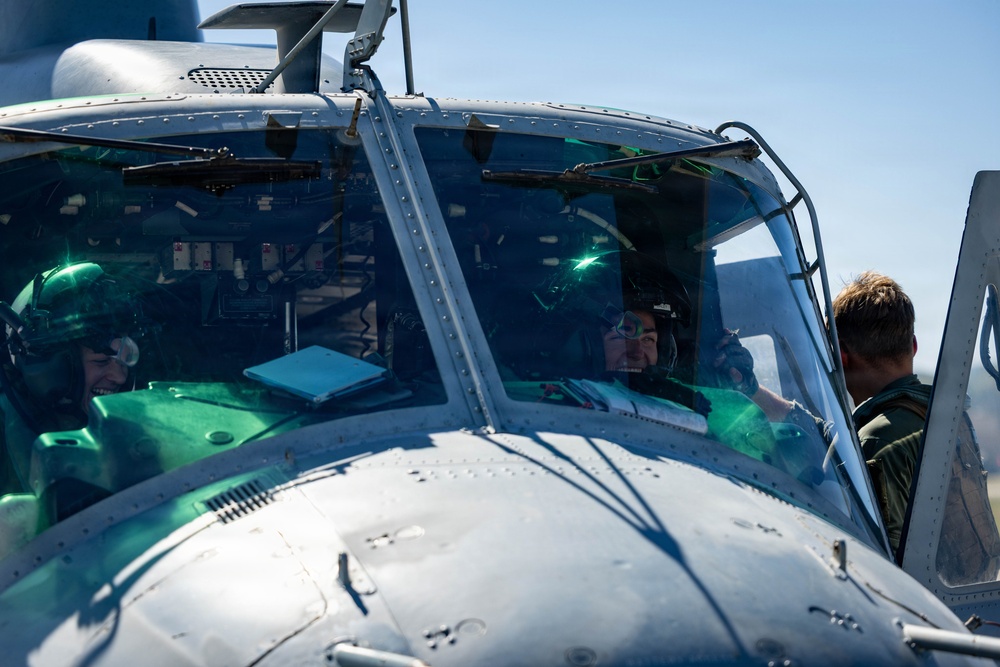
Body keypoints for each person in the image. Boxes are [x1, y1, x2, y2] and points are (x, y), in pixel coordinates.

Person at [0, 262, 143, 496]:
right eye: (101, 361)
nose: (119, 376)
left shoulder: (128, 430)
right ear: (49, 367)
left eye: (125, 359)